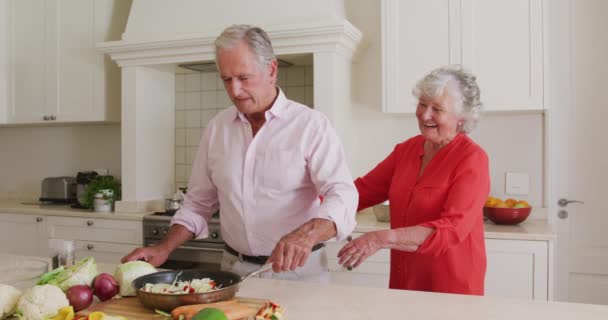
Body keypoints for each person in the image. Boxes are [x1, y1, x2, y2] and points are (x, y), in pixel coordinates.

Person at [122, 24, 358, 283]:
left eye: (244, 78)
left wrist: (307, 234)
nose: (234, 91)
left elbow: (343, 194)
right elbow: (198, 203)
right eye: (226, 79)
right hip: (234, 271)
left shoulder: (311, 125)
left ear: (271, 70)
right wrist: (163, 247)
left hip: (299, 273)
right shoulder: (217, 128)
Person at [338, 65, 489, 295]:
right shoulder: (406, 151)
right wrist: (308, 207)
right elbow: (360, 191)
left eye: (437, 108)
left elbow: (451, 229)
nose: (425, 114)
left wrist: (381, 238)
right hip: (405, 280)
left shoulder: (472, 159)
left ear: (461, 118)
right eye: (422, 104)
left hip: (450, 285)